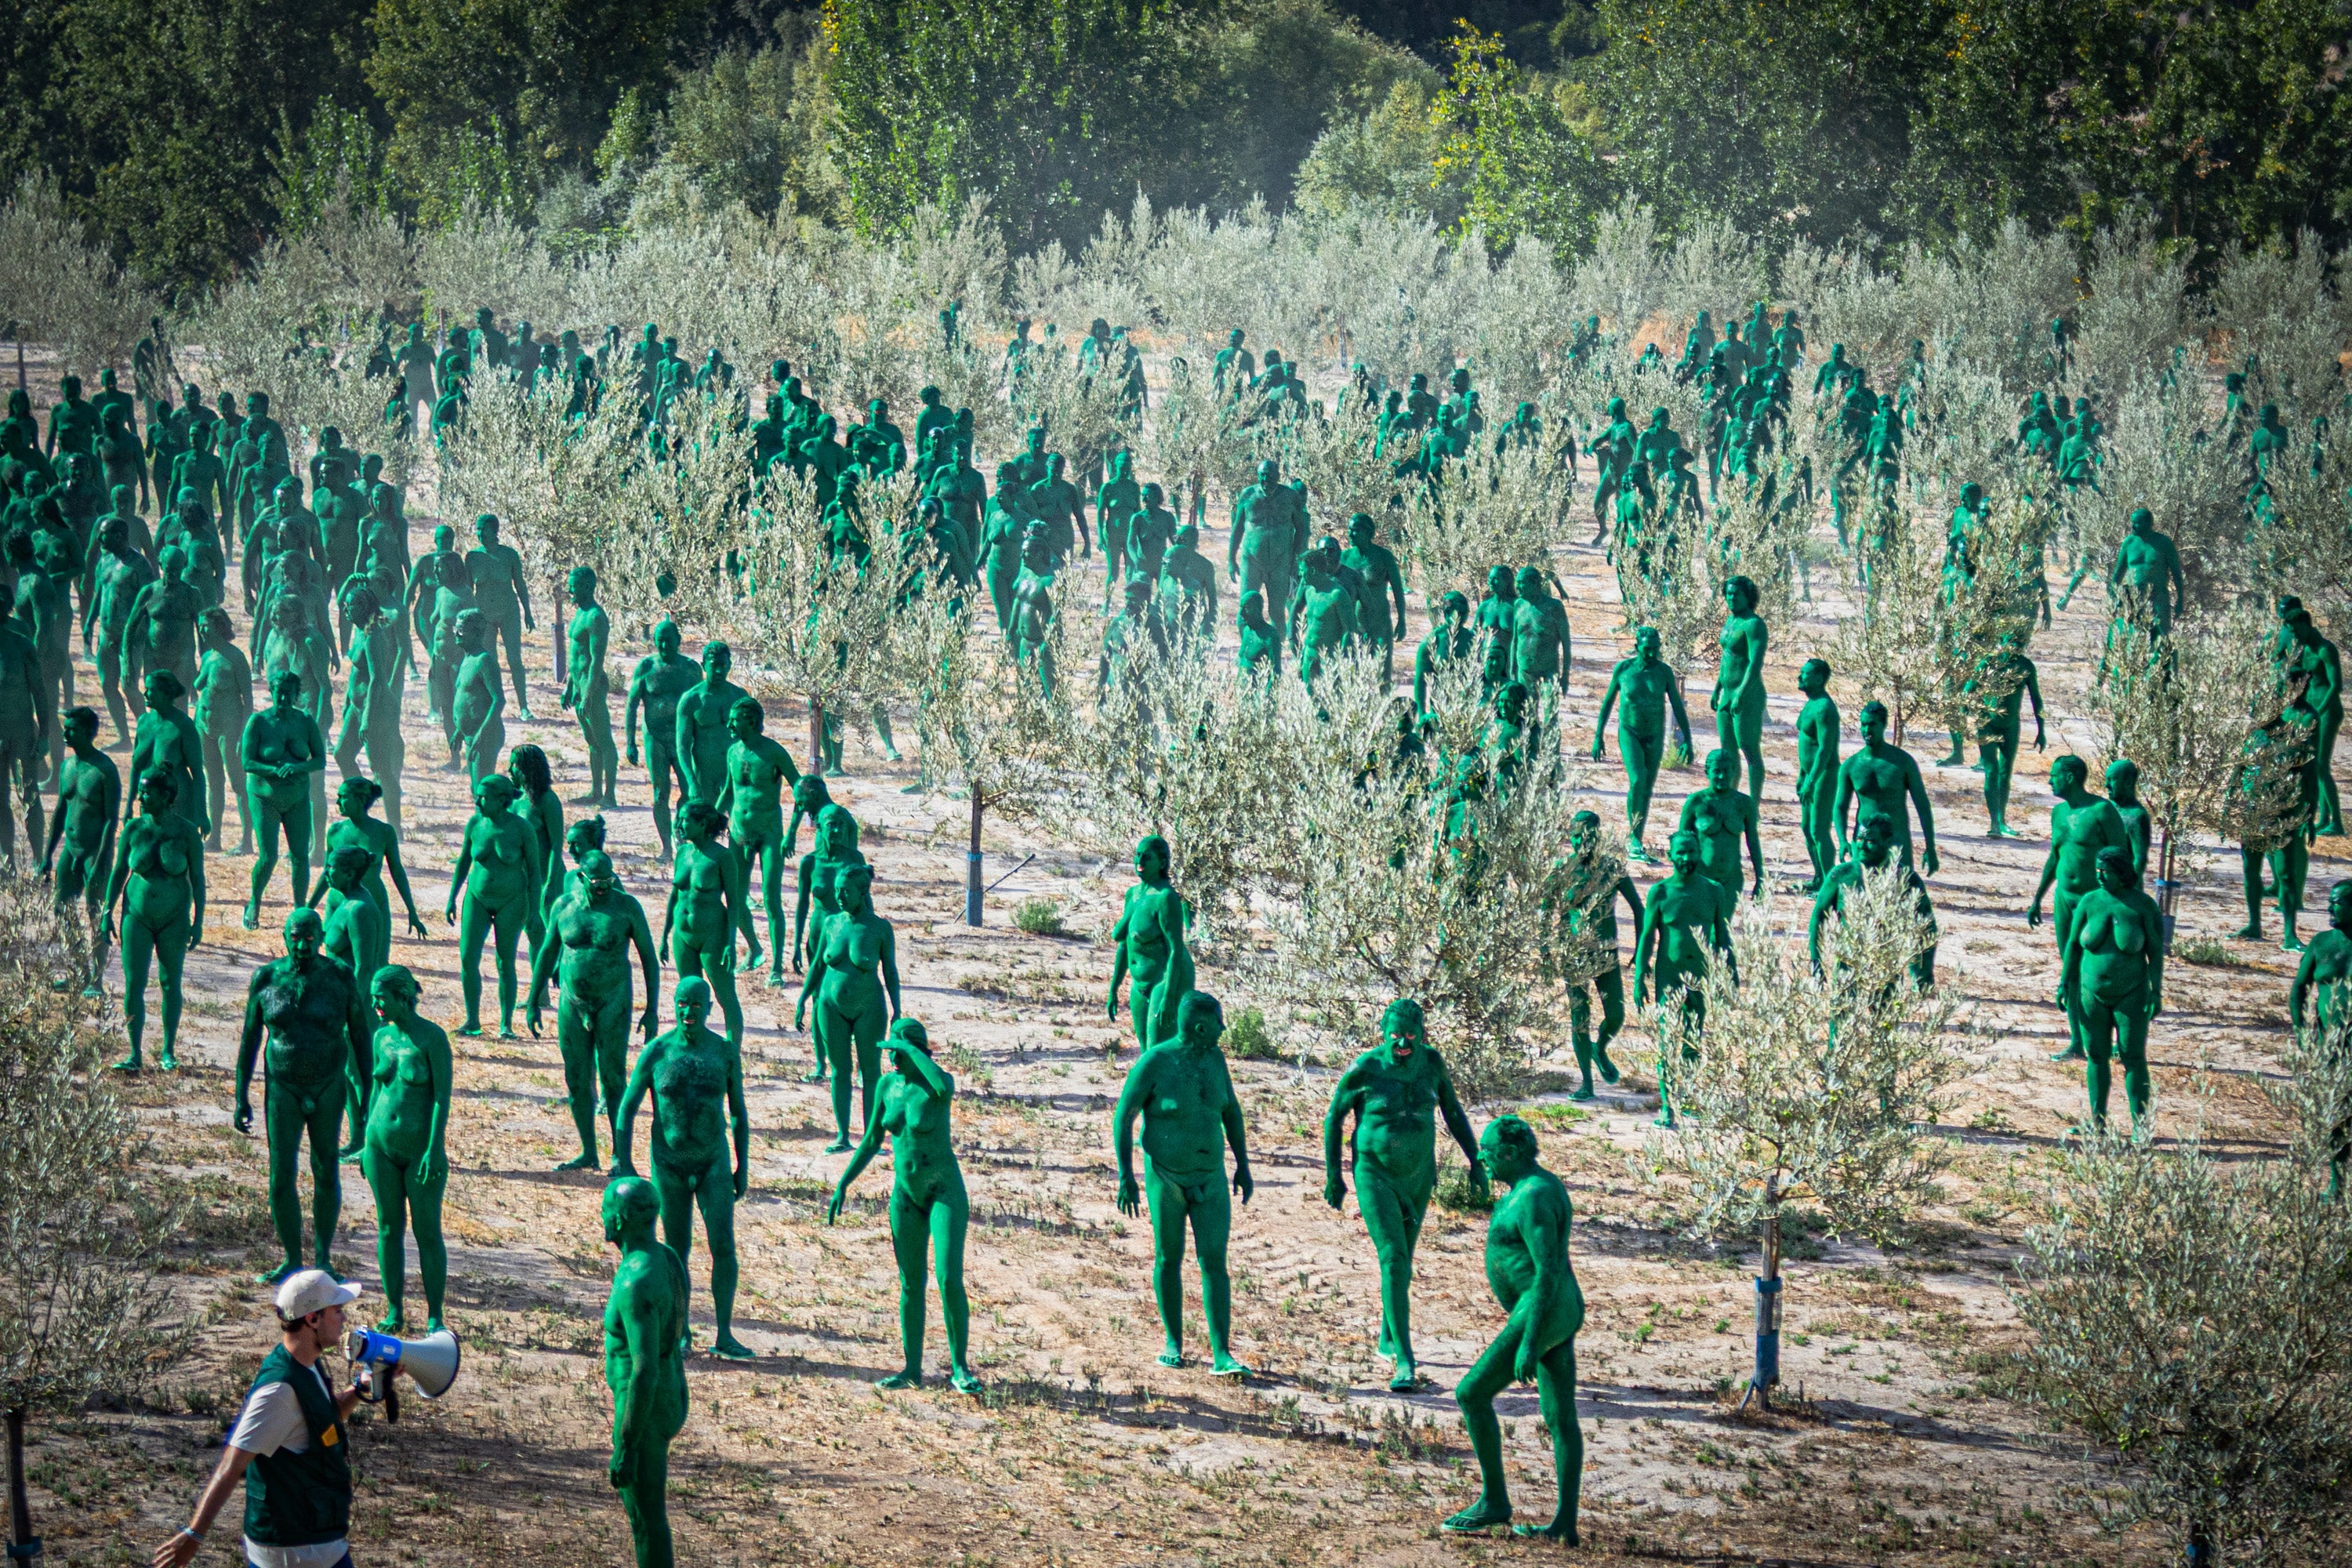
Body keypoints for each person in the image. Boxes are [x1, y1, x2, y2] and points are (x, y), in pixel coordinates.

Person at [149, 1270, 368, 1568]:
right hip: (297, 1553)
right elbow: (231, 1465)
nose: (343, 1319)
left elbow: (323, 1422)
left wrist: (360, 1389)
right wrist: (194, 1534)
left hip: (313, 1546)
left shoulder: (306, 1364)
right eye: (337, 1311)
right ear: (312, 1319)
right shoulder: (279, 1392)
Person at [1321, 998, 1484, 1391]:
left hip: (1419, 1176)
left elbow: (1454, 1112)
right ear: (1383, 1033)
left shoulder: (1432, 1065)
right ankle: (1405, 1362)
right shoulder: (1366, 1070)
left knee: (1403, 1262)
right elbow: (1334, 1118)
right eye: (1395, 1035)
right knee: (1393, 1257)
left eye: (1410, 1035)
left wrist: (1476, 1161)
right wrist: (1333, 1175)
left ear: (1422, 1033)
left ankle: (1386, 1336)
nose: (1402, 1043)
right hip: (1375, 1174)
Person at [1440, 1115, 1584, 1541]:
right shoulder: (1527, 1187)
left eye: (1487, 1150)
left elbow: (1547, 1271)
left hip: (1544, 1307)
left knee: (1471, 1392)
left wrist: (1530, 1341)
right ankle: (1564, 1526)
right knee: (1560, 1417)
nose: (1480, 1155)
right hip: (1554, 1308)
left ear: (1510, 1153)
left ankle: (1494, 1501)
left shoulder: (1534, 1195)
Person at [827, 1018, 983, 1392]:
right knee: (911, 1283)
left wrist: (913, 1049)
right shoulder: (886, 1086)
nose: (892, 1058)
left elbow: (944, 1088)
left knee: (948, 1278)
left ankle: (960, 1367)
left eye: (898, 1051)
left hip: (944, 1191)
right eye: (891, 1052)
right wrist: (844, 1183)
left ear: (916, 1051)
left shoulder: (936, 1083)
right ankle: (911, 1369)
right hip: (905, 1195)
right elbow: (869, 1142)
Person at [1112, 990, 1254, 1375]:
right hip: (1165, 1176)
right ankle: (1173, 1341)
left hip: (1211, 1177)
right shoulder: (1155, 1062)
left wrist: (1243, 1164)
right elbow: (1124, 1116)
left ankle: (1222, 1353)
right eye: (1218, 1024)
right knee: (1168, 1257)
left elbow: (1231, 1112)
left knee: (1214, 1262)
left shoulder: (1215, 1059)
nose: (1223, 1031)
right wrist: (1127, 1175)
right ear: (1199, 1026)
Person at [614, 977, 754, 1360]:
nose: (687, 1011)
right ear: (673, 1006)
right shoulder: (657, 1052)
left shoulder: (723, 1053)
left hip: (713, 1163)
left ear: (709, 1008)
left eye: (695, 1004)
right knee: (676, 1252)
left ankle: (725, 1334)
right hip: (669, 1165)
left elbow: (739, 1114)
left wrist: (743, 1166)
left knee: (723, 1245)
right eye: (681, 1003)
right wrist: (623, 1163)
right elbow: (626, 1109)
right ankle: (680, 1331)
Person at [237, 909, 374, 1283]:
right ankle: (292, 1258)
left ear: (322, 936)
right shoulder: (266, 978)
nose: (302, 946)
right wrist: (241, 1093)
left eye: (310, 938)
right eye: (295, 937)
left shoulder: (340, 977)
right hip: (283, 1085)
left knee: (326, 1168)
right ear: (284, 937)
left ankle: (324, 1257)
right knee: (281, 1174)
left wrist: (370, 1090)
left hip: (329, 1084)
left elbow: (361, 1035)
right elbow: (251, 1039)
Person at [529, 850, 661, 1171]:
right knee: (576, 1079)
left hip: (612, 1000)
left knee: (614, 1078)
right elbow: (547, 953)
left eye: (608, 880)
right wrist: (533, 1000)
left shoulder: (626, 908)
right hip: (572, 1003)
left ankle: (620, 1155)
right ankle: (589, 1151)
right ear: (581, 877)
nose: (603, 887)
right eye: (596, 881)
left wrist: (652, 1009)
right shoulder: (564, 907)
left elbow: (648, 959)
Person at [601, 1175, 688, 1567]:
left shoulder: (634, 1282)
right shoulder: (667, 1256)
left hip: (644, 1404)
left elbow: (642, 1371)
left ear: (618, 1220)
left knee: (646, 1519)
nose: (601, 1217)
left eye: (605, 1209)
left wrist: (626, 1445)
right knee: (651, 1516)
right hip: (672, 1391)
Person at [362, 966, 452, 1333]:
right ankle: (395, 1309)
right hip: (380, 1146)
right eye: (373, 997)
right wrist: (364, 1140)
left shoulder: (432, 1039)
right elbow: (375, 1092)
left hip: (420, 1151)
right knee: (388, 1228)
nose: (375, 1004)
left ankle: (435, 1314)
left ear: (403, 996)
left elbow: (441, 1099)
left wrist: (435, 1148)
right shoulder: (381, 1037)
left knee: (427, 1231)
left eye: (380, 997)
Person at [2029, 755, 2135, 1062]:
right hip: (2065, 900)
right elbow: (2055, 856)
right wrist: (2038, 898)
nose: (2050, 781)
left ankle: (2116, 1040)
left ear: (2071, 777)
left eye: (2054, 776)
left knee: (2104, 970)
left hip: (2098, 904)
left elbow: (2121, 857)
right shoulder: (2059, 813)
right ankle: (2077, 1041)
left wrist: (2127, 907)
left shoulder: (2102, 811)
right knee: (2071, 967)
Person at [1632, 830, 1736, 1127]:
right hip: (1669, 979)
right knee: (1667, 1040)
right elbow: (1647, 938)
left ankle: (1687, 1097)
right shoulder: (1661, 893)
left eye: (1691, 852)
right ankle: (1668, 1105)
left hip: (1700, 979)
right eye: (1680, 853)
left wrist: (1731, 972)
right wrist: (1640, 977)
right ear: (1670, 856)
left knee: (1693, 1039)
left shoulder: (1714, 891)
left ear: (1700, 852)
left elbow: (1722, 935)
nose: (1686, 859)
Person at [2060, 846, 2165, 1135]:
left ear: (2121, 871)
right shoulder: (2089, 902)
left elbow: (2155, 953)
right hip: (2090, 992)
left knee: (2133, 1056)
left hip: (2131, 994)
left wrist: (2156, 992)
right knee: (2096, 1055)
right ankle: (2097, 1123)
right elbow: (2072, 945)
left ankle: (2141, 1127)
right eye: (2097, 870)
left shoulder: (2142, 906)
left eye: (2105, 870)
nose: (2099, 875)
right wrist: (2064, 982)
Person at [796, 859, 898, 1151]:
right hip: (830, 1006)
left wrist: (897, 1010)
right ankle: (842, 1135)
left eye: (845, 892)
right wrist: (803, 999)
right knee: (840, 1070)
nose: (839, 897)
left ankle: (871, 1136)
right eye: (837, 891)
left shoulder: (878, 928)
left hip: (869, 1007)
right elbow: (817, 965)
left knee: (870, 1072)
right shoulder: (831, 923)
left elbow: (890, 971)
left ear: (862, 892)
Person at [445, 773, 543, 1037]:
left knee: (505, 961)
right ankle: (472, 1020)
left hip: (511, 900)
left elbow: (535, 873)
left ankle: (506, 1024)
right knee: (467, 958)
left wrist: (534, 911)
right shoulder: (475, 824)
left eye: (483, 798)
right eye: (476, 796)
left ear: (502, 800)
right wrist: (452, 897)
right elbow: (464, 862)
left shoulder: (522, 829)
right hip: (476, 897)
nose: (477, 803)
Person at [1591, 626, 1693, 862]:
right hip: (1630, 732)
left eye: (1656, 649)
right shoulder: (1624, 670)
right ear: (1637, 647)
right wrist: (1599, 735)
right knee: (1637, 780)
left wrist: (1687, 738)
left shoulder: (1664, 673)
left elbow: (1677, 705)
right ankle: (1633, 839)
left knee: (1646, 787)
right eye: (1647, 649)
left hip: (1655, 734)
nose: (1652, 654)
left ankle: (1637, 837)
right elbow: (1608, 703)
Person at [717, 696, 799, 988]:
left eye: (734, 720)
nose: (729, 724)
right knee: (735, 899)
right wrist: (711, 819)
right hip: (739, 831)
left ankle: (777, 966)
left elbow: (800, 791)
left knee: (772, 899)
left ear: (751, 721)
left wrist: (792, 833)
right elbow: (729, 791)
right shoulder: (732, 752)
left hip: (769, 834)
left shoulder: (774, 753)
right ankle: (754, 949)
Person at [40, 706, 119, 996]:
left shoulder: (105, 770)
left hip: (95, 852)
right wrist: (48, 854)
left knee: (96, 915)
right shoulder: (67, 767)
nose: (65, 733)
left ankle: (96, 981)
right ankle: (79, 971)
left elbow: (111, 819)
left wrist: (101, 860)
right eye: (65, 727)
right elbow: (61, 810)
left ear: (88, 732)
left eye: (71, 729)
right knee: (61, 909)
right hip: (70, 852)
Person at [1107, 833, 1194, 1057]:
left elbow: (1175, 949)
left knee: (1158, 1053)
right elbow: (1124, 945)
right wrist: (1114, 988)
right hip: (1139, 982)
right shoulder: (1132, 895)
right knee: (1145, 1051)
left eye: (1147, 857)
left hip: (1164, 979)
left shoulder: (1166, 898)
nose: (1140, 861)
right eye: (1137, 855)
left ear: (1162, 863)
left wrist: (1169, 995)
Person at [1834, 699, 1940, 874]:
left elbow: (1923, 806)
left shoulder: (1902, 762)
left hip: (1896, 840)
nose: (1867, 730)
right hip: (1864, 842)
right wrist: (1842, 840)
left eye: (1872, 725)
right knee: (1862, 894)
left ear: (1884, 725)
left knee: (1901, 893)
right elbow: (1839, 807)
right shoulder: (1851, 766)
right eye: (1863, 725)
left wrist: (1930, 847)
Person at [626, 620, 699, 857]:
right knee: (660, 793)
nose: (664, 644)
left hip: (682, 739)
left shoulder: (691, 669)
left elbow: (703, 701)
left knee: (690, 791)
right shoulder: (646, 667)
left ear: (679, 640)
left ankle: (681, 832)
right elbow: (632, 705)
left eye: (669, 639)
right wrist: (630, 741)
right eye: (660, 640)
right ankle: (666, 847)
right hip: (655, 738)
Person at [1675, 747, 1765, 900]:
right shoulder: (1696, 803)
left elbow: (1753, 842)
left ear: (1734, 771)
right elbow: (1680, 846)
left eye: (1726, 770)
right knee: (1702, 922)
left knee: (1723, 923)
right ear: (1707, 772)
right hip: (1701, 877)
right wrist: (1681, 882)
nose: (1722, 776)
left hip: (1732, 879)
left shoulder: (1744, 803)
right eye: (1716, 771)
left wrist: (1760, 879)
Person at [563, 566, 619, 808]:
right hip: (578, 684)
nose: (569, 590)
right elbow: (575, 655)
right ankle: (595, 791)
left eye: (573, 586)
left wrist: (588, 694)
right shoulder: (579, 614)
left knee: (604, 740)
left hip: (592, 686)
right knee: (592, 741)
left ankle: (610, 795)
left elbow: (597, 659)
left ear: (587, 587)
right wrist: (569, 686)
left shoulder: (596, 617)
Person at [1710, 575, 1769, 797]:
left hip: (1748, 695)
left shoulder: (1754, 624)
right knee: (1728, 750)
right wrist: (1717, 688)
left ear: (1748, 596)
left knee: (1749, 750)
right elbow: (1727, 658)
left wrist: (1741, 694)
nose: (1732, 597)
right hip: (1727, 693)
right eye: (1729, 593)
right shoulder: (1731, 621)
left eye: (1737, 594)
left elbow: (1755, 663)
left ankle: (1754, 803)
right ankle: (1730, 796)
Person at [674, 639, 748, 807]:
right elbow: (683, 747)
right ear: (703, 665)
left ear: (729, 665)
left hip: (734, 772)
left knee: (740, 827)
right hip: (705, 774)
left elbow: (751, 740)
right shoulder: (692, 700)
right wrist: (691, 783)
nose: (719, 670)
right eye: (714, 665)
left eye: (723, 665)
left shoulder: (739, 697)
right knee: (705, 826)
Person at [1794, 659, 1841, 888]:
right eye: (1801, 673)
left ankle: (1829, 885)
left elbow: (1825, 749)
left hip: (1824, 775)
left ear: (1820, 678)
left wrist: (1812, 779)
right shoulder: (1810, 703)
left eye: (1806, 674)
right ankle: (1819, 877)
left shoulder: (1824, 707)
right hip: (1810, 775)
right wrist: (1803, 774)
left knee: (1819, 829)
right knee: (1806, 827)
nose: (1800, 677)